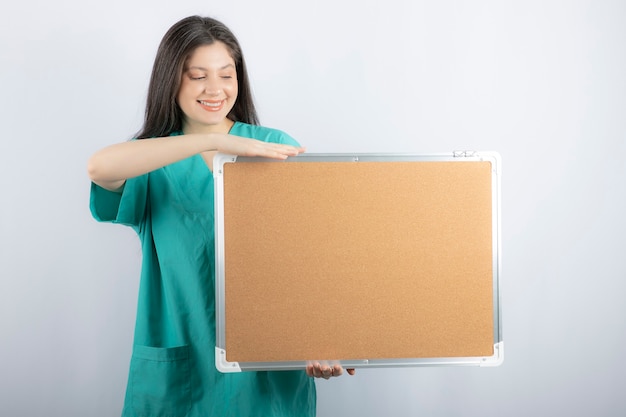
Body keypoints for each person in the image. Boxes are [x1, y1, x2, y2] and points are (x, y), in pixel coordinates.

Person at [87, 15, 353, 417]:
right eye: (197, 76)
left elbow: (315, 256)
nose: (215, 89)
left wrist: (323, 335)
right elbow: (99, 168)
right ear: (171, 79)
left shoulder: (273, 147)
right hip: (183, 367)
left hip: (267, 371)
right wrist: (211, 139)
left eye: (226, 75)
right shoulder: (152, 159)